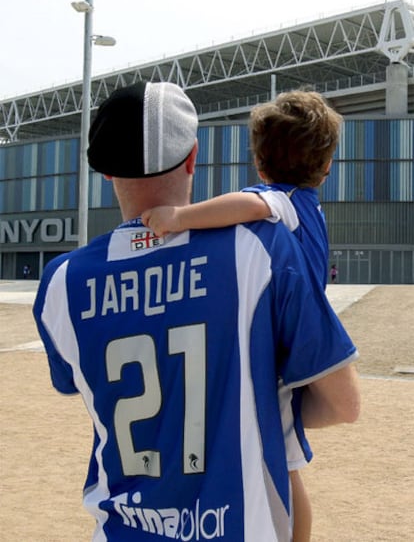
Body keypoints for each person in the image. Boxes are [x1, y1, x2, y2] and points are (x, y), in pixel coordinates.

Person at [33, 81, 360, 542]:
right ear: (193, 156)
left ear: (105, 171)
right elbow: (344, 405)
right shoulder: (260, 247)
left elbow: (85, 385)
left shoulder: (60, 284)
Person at [142, 89, 343, 540]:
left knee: (285, 471)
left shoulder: (278, 201)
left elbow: (250, 206)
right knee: (286, 468)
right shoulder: (311, 210)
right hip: (295, 348)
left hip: (276, 357)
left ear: (258, 162)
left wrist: (178, 217)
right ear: (327, 167)